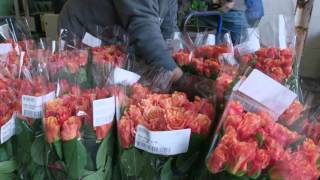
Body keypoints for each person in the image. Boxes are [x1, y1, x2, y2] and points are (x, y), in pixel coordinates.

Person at [58, 0, 183, 82]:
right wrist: (178, 76)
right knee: (87, 86)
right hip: (84, 29)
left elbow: (169, 27)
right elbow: (143, 25)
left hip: (116, 36)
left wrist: (180, 57)